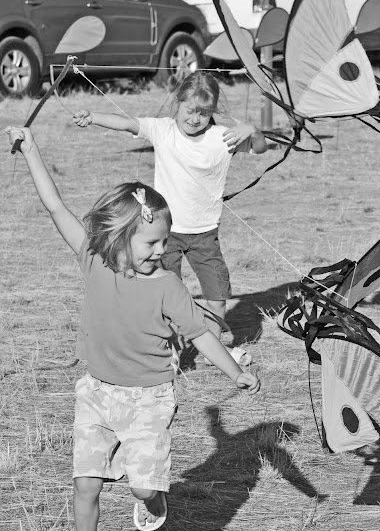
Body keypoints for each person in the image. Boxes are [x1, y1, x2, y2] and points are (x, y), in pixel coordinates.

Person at [4, 125, 260, 531]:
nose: (162, 251)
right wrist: (31, 150)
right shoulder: (93, 260)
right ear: (119, 237)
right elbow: (55, 206)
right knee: (85, 483)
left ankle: (153, 497)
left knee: (142, 487)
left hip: (149, 399)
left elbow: (201, 335)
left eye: (165, 241)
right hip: (97, 393)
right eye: (152, 243)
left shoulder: (167, 286)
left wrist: (234, 372)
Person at [73, 71, 267, 365]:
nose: (195, 119)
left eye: (204, 113)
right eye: (190, 110)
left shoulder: (222, 137)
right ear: (178, 102)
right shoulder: (163, 130)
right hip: (165, 236)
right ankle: (169, 353)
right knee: (164, 296)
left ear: (213, 111)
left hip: (206, 234)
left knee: (217, 296)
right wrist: (93, 117)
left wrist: (252, 129)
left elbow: (261, 147)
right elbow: (126, 122)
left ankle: (211, 350)